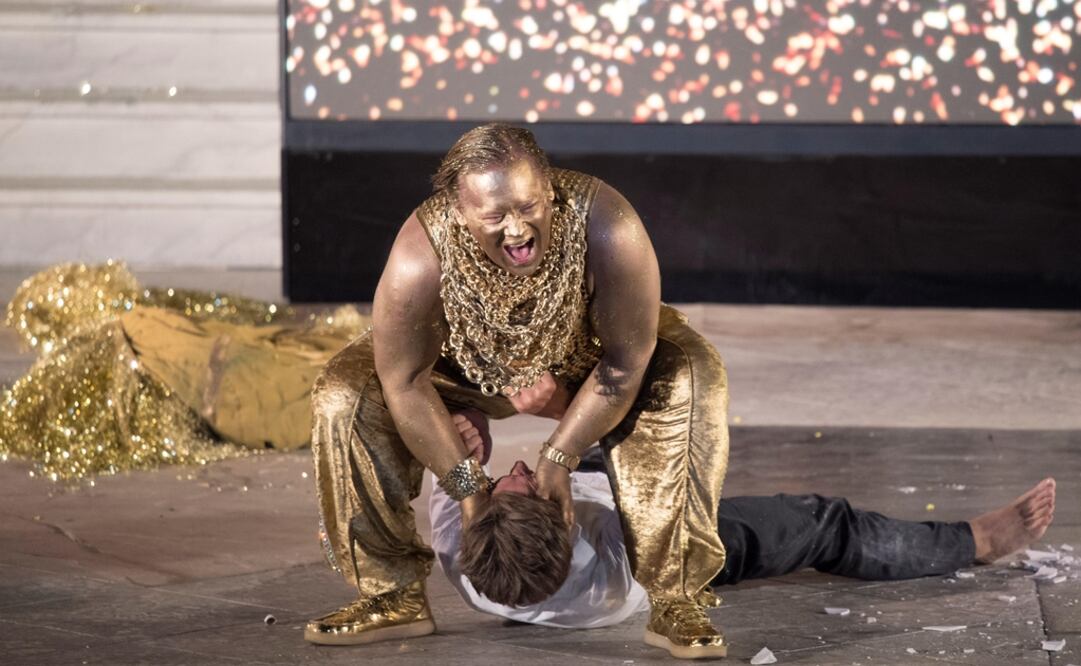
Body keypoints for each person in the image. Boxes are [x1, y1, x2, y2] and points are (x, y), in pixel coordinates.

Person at [305, 123, 732, 658]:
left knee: (693, 373)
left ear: (549, 191)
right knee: (344, 395)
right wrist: (465, 484)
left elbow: (627, 358)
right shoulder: (422, 251)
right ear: (459, 212)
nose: (516, 230)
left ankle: (675, 596)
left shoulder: (607, 223)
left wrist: (560, 455)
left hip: (588, 362)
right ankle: (391, 593)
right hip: (459, 369)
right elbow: (404, 380)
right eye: (494, 216)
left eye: (529, 207)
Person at [432, 433, 1058, 634]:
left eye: (498, 484)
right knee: (823, 524)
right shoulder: (620, 559)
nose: (515, 468)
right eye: (526, 482)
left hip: (590, 495)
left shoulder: (464, 552)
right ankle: (976, 540)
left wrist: (467, 440)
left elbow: (455, 464)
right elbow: (662, 450)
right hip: (668, 545)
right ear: (569, 519)